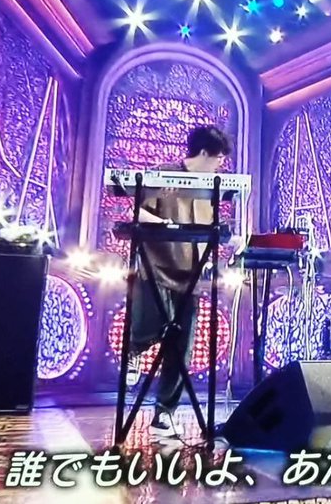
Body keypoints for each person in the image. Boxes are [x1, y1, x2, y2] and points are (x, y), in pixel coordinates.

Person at [127, 125, 233, 438]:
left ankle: (164, 413)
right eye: (218, 158)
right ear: (204, 153)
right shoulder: (164, 174)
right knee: (150, 326)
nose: (220, 165)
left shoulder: (211, 186)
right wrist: (166, 224)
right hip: (157, 268)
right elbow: (139, 213)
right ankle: (133, 351)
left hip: (191, 275)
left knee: (181, 347)